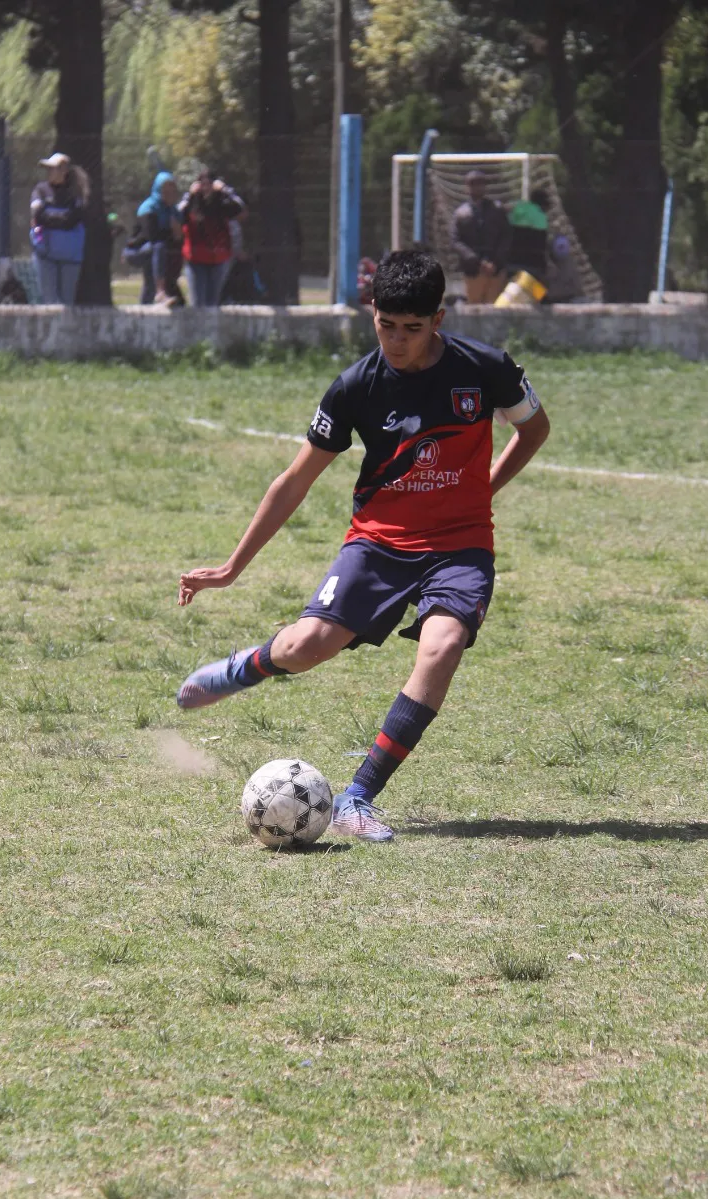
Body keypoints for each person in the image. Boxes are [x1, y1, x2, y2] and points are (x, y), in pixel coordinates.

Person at [176, 249, 550, 842]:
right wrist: (230, 567)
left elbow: (534, 428)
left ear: (438, 320)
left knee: (443, 645)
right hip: (379, 543)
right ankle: (249, 665)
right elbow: (294, 480)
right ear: (371, 313)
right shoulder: (357, 386)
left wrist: (484, 488)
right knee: (306, 647)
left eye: (412, 328)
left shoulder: (485, 369)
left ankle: (358, 797)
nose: (396, 341)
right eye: (385, 325)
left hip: (460, 546)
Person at [178, 169, 245, 306]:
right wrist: (190, 194)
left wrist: (226, 190)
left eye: (209, 184)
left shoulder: (223, 203)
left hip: (219, 259)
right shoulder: (191, 202)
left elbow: (240, 208)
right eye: (202, 184)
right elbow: (177, 214)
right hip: (195, 259)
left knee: (213, 303)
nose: (206, 188)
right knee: (198, 303)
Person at [30, 153, 89, 305]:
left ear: (64, 171)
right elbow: (38, 216)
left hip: (70, 256)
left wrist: (50, 216)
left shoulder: (75, 193)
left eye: (53, 168)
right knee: (49, 301)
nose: (49, 171)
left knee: (67, 302)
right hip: (45, 255)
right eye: (48, 168)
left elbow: (72, 220)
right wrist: (60, 217)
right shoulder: (40, 190)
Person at [451, 169, 511, 305]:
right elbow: (456, 241)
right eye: (473, 184)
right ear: (467, 187)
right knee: (474, 308)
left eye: (480, 183)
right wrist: (476, 260)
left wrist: (496, 261)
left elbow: (506, 236)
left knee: (496, 307)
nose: (477, 187)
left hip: (495, 269)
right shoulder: (461, 213)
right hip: (473, 270)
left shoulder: (497, 209)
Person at [127, 171, 184, 306]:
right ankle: (160, 292)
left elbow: (179, 239)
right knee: (159, 247)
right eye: (165, 189)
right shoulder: (149, 207)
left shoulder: (173, 211)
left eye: (172, 189)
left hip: (158, 255)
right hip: (137, 251)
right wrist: (172, 232)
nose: (169, 192)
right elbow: (151, 237)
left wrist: (178, 234)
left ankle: (144, 308)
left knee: (149, 283)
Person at [506, 187, 550, 282]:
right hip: (533, 269)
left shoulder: (516, 212)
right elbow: (542, 247)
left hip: (511, 266)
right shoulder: (540, 218)